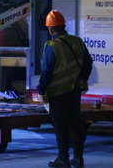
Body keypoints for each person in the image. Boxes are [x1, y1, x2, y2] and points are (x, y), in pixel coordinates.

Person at [37, 10, 93, 168]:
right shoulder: (77, 41)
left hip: (57, 94)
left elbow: (46, 72)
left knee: (60, 127)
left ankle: (63, 158)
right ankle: (78, 158)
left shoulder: (52, 46)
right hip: (74, 91)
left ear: (50, 29)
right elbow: (88, 62)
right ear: (63, 25)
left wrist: (41, 90)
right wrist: (82, 78)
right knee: (75, 125)